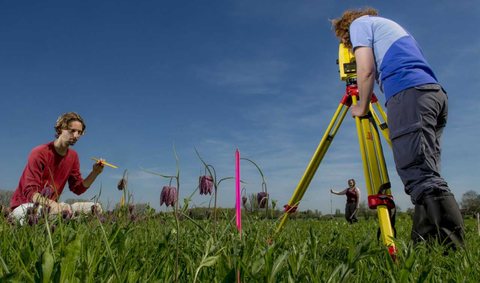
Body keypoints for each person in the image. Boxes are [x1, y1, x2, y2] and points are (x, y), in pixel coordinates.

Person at [331, 8, 464, 247]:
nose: (348, 47)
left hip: (408, 94)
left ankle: (452, 251)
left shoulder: (359, 25)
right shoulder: (389, 27)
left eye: (346, 43)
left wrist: (361, 106)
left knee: (419, 174)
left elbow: (367, 69)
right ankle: (425, 246)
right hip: (432, 94)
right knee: (426, 174)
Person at [10, 112, 104, 220]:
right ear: (61, 129)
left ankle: (64, 223)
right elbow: (30, 192)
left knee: (96, 208)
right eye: (72, 131)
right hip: (27, 205)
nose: (76, 136)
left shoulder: (73, 156)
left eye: (79, 132)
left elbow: (77, 188)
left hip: (54, 207)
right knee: (41, 214)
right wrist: (52, 205)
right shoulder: (40, 152)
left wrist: (95, 173)